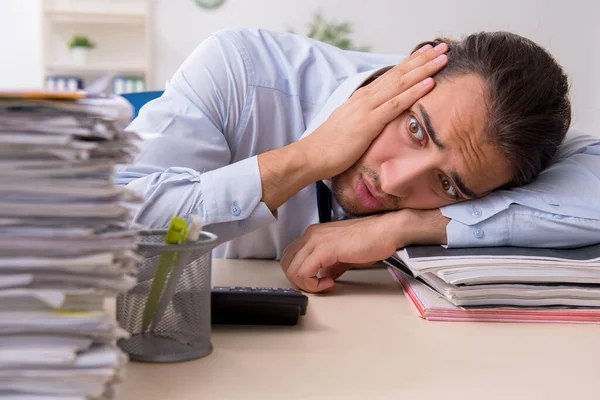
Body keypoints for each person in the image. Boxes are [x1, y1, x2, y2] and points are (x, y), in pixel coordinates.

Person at [117, 28, 600, 293]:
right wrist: (305, 158)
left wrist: (411, 225)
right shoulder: (240, 72)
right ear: (413, 68)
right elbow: (106, 222)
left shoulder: (500, 141)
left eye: (447, 184)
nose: (393, 180)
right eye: (415, 129)